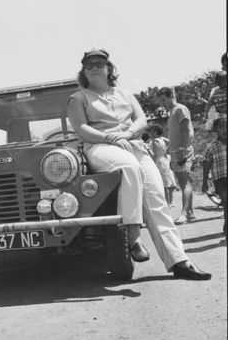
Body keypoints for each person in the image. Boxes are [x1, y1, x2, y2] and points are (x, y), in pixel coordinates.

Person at [67, 48, 211, 280]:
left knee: (156, 199)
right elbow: (81, 129)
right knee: (129, 168)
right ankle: (133, 238)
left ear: (109, 68)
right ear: (83, 70)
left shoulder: (124, 93)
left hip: (132, 145)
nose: (94, 67)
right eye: (89, 64)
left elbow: (141, 119)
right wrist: (110, 137)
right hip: (100, 147)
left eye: (99, 63)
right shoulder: (79, 98)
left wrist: (127, 134)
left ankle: (179, 261)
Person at [156, 87, 195, 225]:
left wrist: (183, 149)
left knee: (184, 183)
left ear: (171, 96)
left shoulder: (180, 109)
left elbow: (188, 131)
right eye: (160, 101)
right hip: (175, 152)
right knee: (184, 181)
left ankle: (184, 214)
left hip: (182, 151)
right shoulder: (172, 112)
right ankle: (189, 211)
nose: (162, 103)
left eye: (164, 100)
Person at [202, 117, 227, 234]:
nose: (225, 130)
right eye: (221, 127)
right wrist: (204, 181)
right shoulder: (211, 146)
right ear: (216, 130)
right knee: (226, 201)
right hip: (220, 179)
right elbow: (206, 165)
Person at [148, 124, 177, 207]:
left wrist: (152, 163)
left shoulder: (154, 142)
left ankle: (167, 203)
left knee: (164, 184)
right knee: (169, 182)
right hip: (166, 160)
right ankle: (171, 202)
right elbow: (171, 143)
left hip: (159, 162)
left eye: (151, 131)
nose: (150, 133)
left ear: (155, 132)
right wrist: (166, 150)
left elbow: (155, 155)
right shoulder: (162, 140)